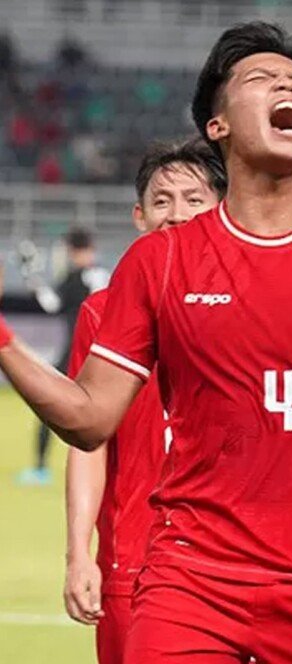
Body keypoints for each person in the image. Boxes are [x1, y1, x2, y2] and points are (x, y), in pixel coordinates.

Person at [0, 22, 292, 663]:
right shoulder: (160, 263)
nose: (290, 88)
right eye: (263, 80)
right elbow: (90, 418)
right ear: (219, 125)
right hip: (191, 586)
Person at [63, 137, 226, 664]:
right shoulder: (101, 313)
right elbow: (89, 442)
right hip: (134, 562)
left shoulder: (257, 305)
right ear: (138, 215)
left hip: (236, 564)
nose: (177, 215)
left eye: (194, 199)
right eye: (162, 201)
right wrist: (78, 553)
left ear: (223, 209)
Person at [17, 226, 109, 485]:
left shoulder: (86, 276)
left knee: (49, 405)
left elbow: (50, 304)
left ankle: (40, 468)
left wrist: (30, 273)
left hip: (80, 351)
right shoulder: (92, 275)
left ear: (72, 250)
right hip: (103, 353)